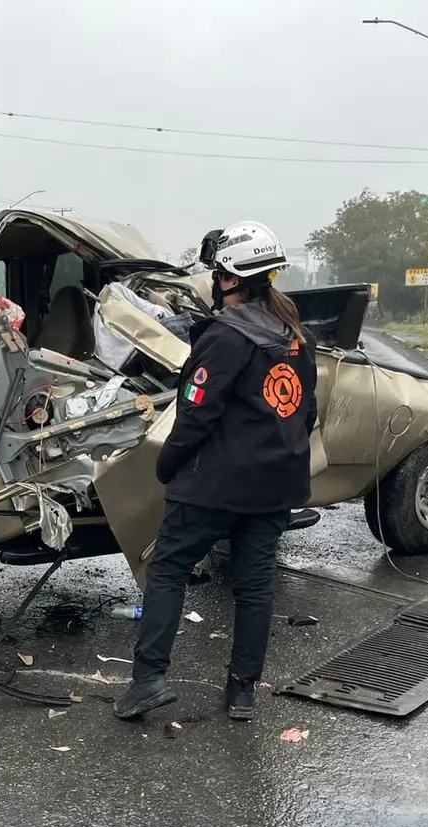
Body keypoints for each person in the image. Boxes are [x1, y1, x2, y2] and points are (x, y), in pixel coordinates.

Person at [113, 221, 318, 723]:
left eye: (216, 272)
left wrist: (167, 466)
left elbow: (195, 414)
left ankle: (148, 681)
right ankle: (242, 693)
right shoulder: (296, 337)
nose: (211, 279)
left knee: (168, 570)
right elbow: (306, 413)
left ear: (231, 277)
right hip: (275, 486)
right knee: (254, 586)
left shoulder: (225, 338)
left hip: (213, 486)